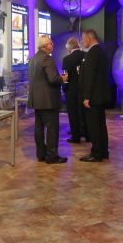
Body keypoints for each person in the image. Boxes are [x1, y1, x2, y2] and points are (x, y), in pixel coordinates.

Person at [27, 35, 68, 164]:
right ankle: (52, 156)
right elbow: (53, 79)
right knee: (52, 128)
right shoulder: (47, 59)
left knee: (39, 127)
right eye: (51, 43)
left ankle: (41, 154)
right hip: (48, 100)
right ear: (45, 46)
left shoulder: (33, 59)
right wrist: (63, 79)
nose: (52, 45)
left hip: (37, 100)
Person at [78, 29, 110, 162]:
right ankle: (103, 151)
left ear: (89, 39)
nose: (82, 42)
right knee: (101, 125)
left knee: (94, 126)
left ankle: (96, 153)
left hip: (93, 97)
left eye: (83, 39)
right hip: (100, 96)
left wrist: (87, 97)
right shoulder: (102, 52)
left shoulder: (91, 54)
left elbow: (89, 77)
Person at [61, 37, 88, 143]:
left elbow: (65, 76)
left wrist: (64, 88)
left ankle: (75, 136)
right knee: (84, 113)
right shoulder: (86, 55)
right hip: (84, 91)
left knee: (73, 114)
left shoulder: (66, 59)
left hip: (71, 91)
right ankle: (87, 134)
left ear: (69, 48)